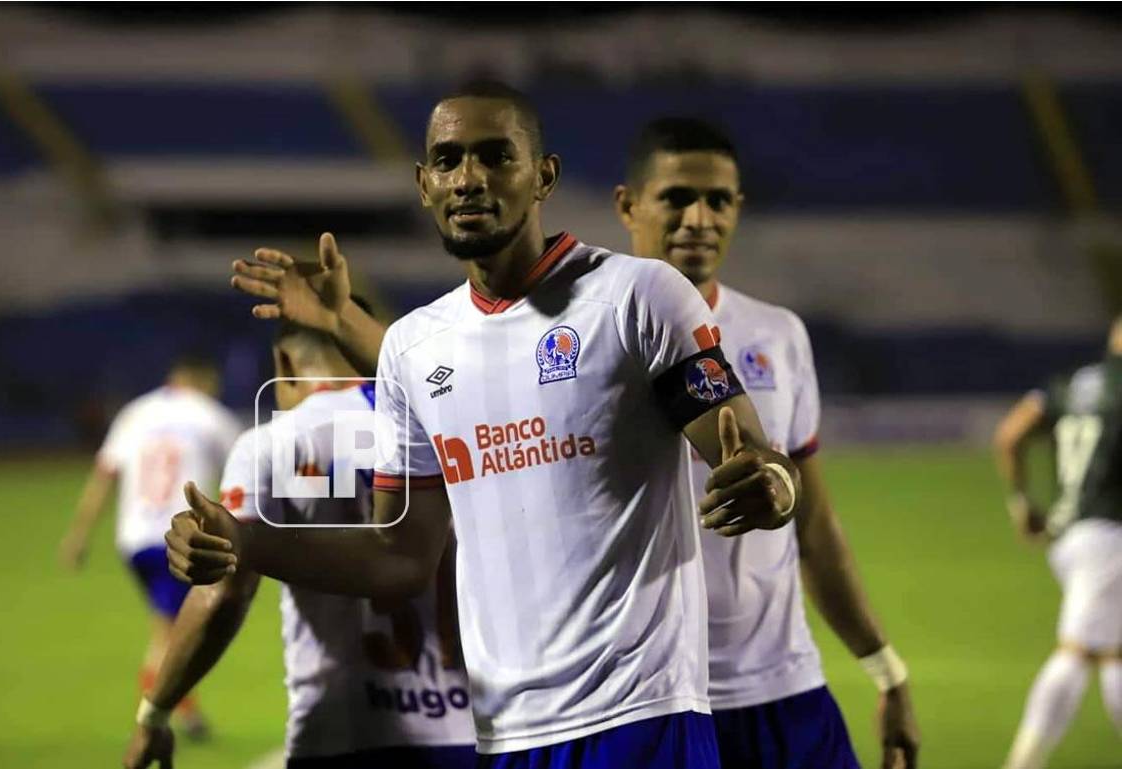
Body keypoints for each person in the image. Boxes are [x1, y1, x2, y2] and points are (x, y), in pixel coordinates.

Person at [169, 80, 802, 768]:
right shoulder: (415, 347)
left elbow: (753, 454)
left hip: (641, 719)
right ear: (423, 184)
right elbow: (399, 556)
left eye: (496, 156)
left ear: (544, 176)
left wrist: (772, 484)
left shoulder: (638, 298)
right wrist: (243, 541)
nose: (469, 178)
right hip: (503, 735)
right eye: (448, 160)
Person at [612, 117, 920, 769]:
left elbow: (815, 527)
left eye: (718, 200)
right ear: (628, 205)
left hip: (783, 691)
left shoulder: (778, 334)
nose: (699, 217)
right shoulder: (583, 342)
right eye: (676, 197)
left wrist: (887, 670)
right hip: (651, 699)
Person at [122, 318, 475, 769]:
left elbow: (224, 593)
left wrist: (154, 715)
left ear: (284, 364)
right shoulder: (443, 428)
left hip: (339, 733)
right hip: (473, 730)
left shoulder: (276, 444)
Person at [59, 354, 240, 738]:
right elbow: (243, 472)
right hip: (181, 540)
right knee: (172, 635)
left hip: (135, 540)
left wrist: (78, 535)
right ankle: (158, 719)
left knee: (170, 627)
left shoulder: (134, 414)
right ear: (204, 381)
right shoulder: (211, 415)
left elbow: (104, 475)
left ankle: (185, 714)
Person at [995, 315, 1122, 769]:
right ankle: (1023, 762)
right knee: (1078, 650)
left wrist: (1021, 504)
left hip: (1069, 535)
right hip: (1111, 535)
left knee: (1112, 652)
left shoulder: (1071, 383)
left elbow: (1011, 434)